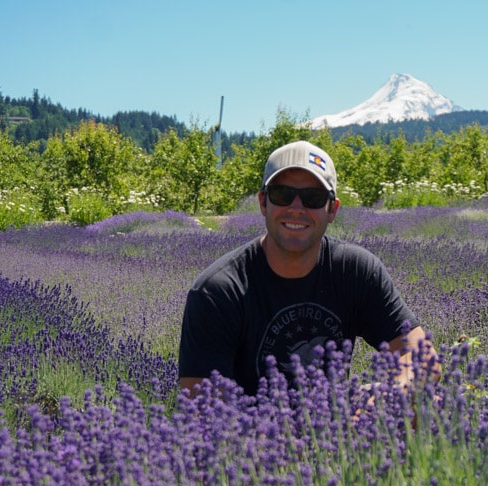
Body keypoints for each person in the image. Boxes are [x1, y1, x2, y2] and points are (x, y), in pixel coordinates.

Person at [178, 139, 439, 398]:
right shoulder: (219, 290)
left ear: (332, 209)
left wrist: (387, 398)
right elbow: (201, 406)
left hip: (334, 431)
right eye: (282, 194)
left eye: (313, 198)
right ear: (263, 202)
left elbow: (421, 358)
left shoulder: (354, 270)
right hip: (249, 435)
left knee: (427, 404)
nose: (296, 208)